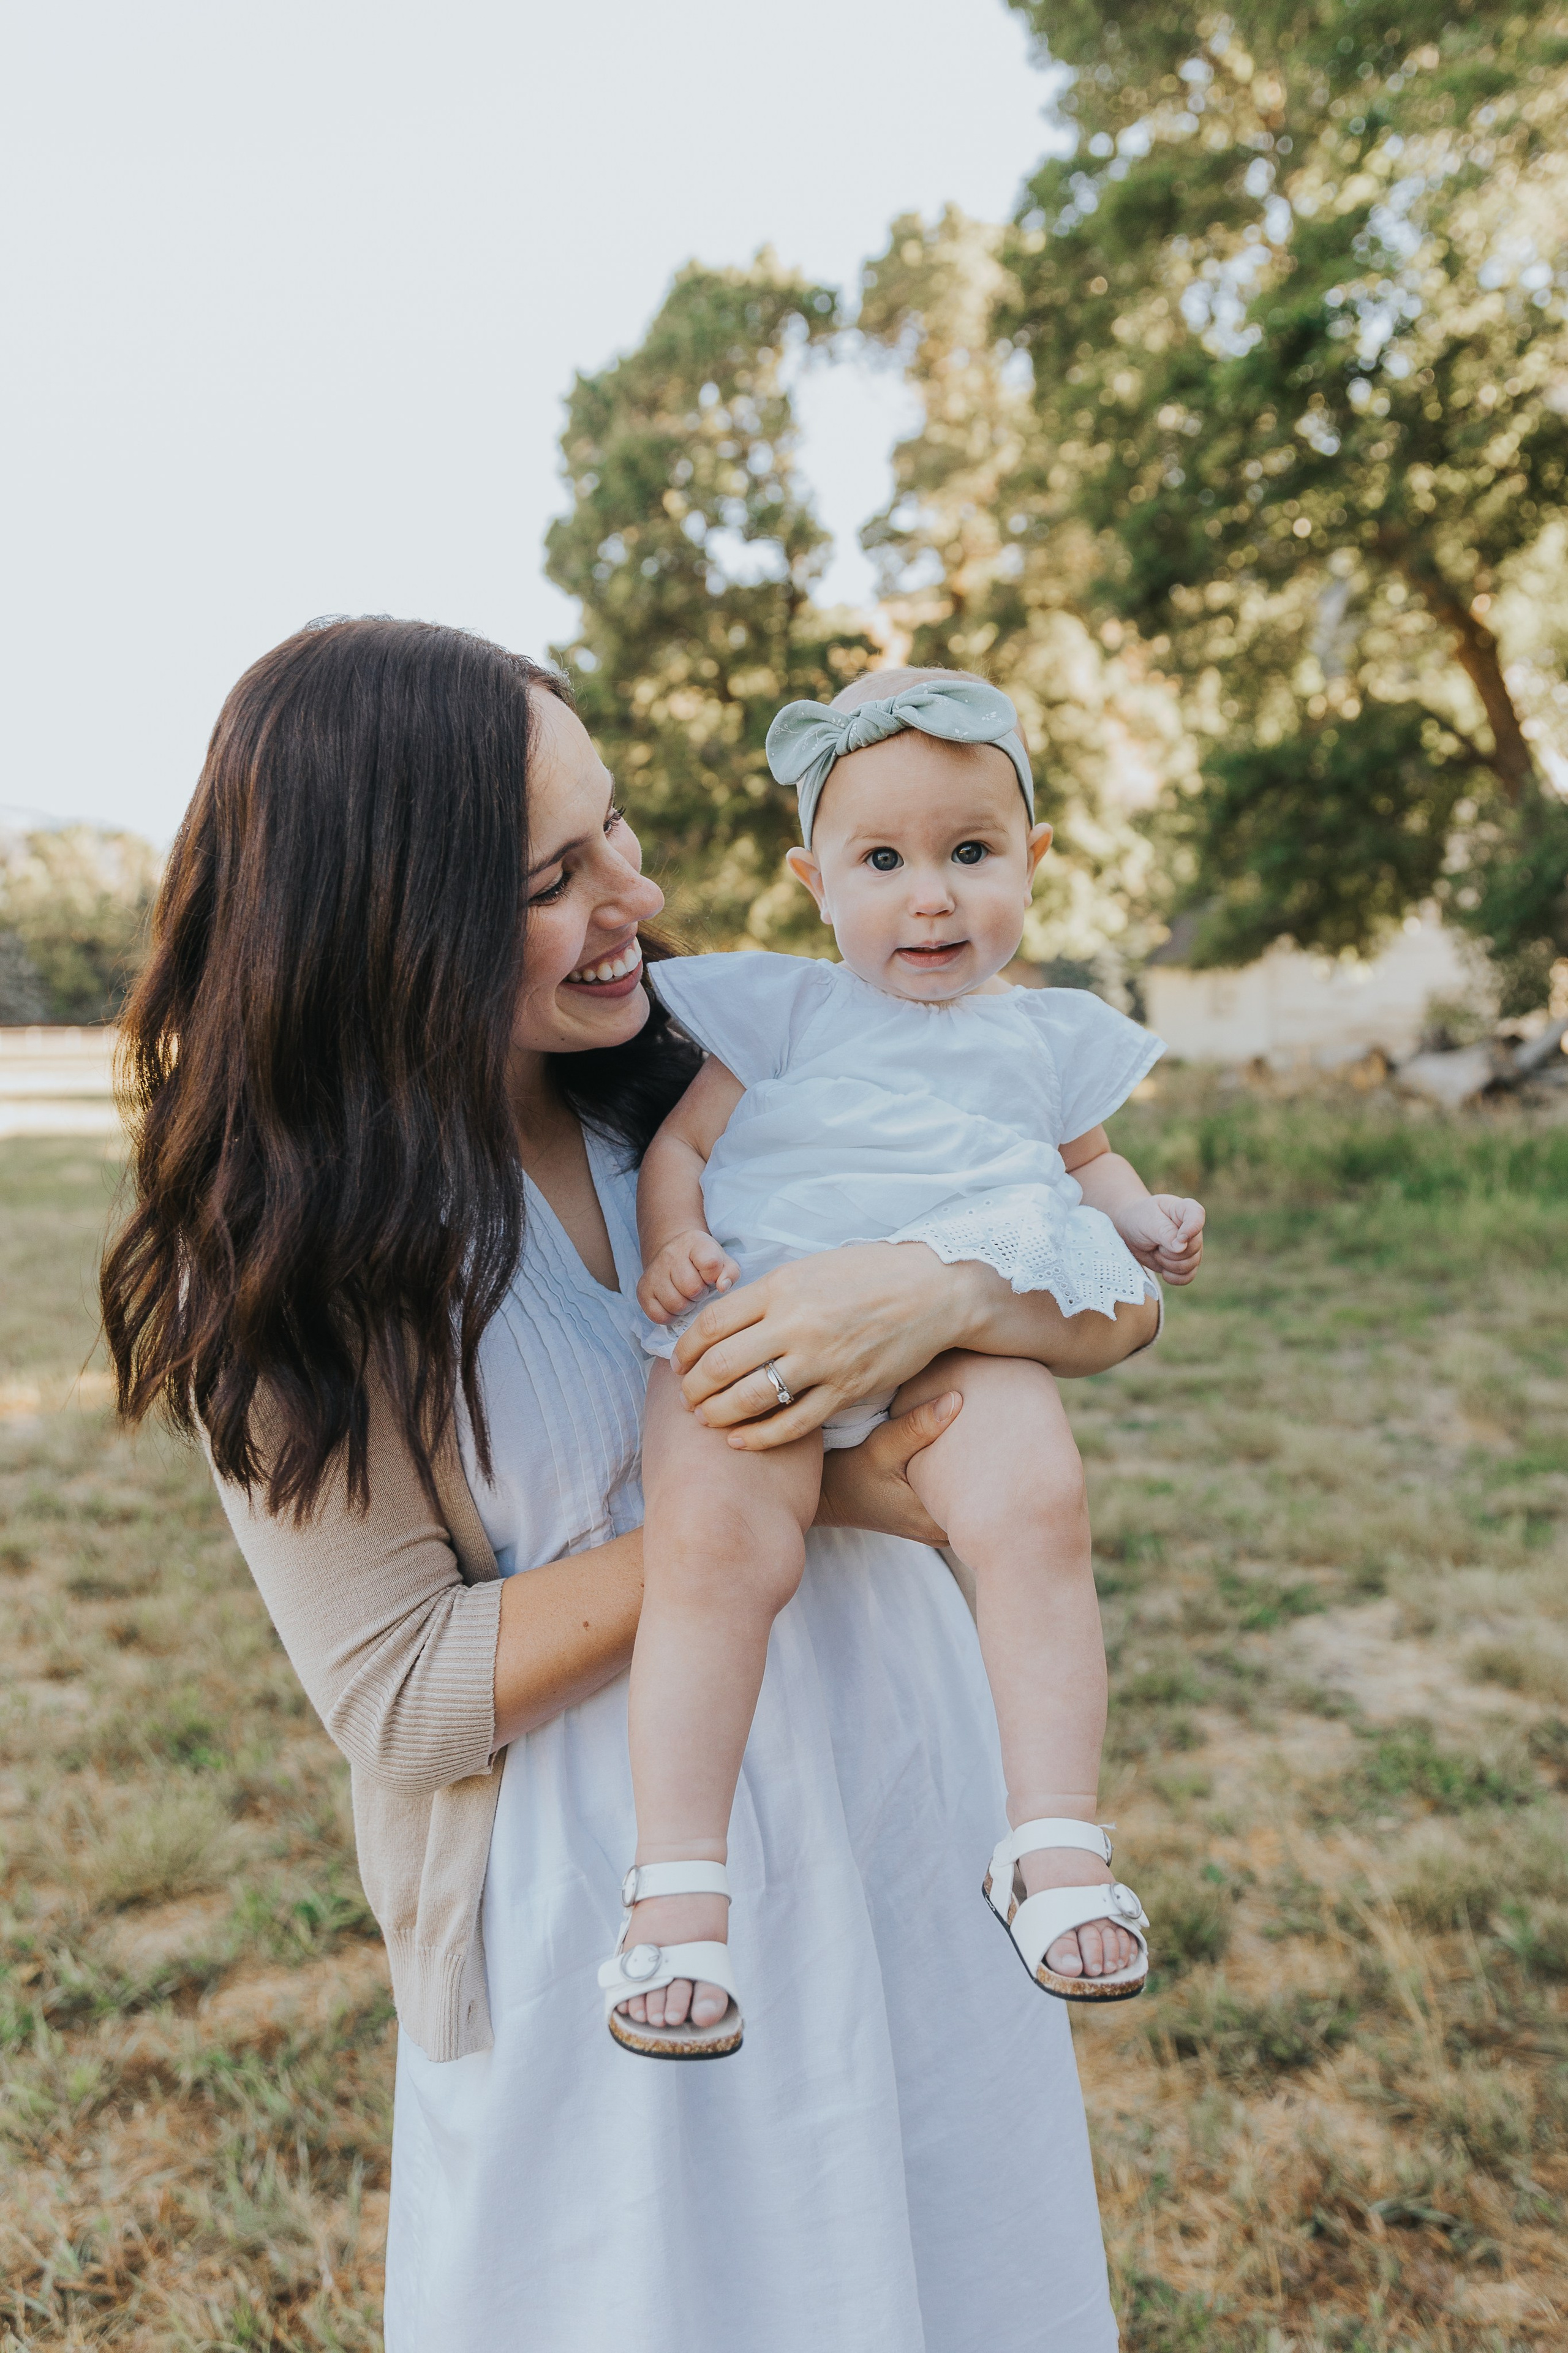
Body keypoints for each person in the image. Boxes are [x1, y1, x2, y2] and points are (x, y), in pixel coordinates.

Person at [100, 617, 1159, 2352]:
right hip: (625, 1900)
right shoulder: (297, 1253)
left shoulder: (718, 1078)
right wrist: (782, 1501)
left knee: (958, 2275)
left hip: (906, 1793)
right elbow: (401, 1695)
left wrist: (954, 1294)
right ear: (391, 915)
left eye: (619, 832)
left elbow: (1119, 1305)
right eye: (554, 876)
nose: (640, 902)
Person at [614, 670, 1205, 2056]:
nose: (927, 896)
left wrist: (1140, 1218)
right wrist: (672, 1240)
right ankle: (677, 1886)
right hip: (759, 1311)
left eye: (968, 854)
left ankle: (1050, 1840)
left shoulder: (1046, 1037)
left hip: (958, 1326)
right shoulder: (789, 1016)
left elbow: (1092, 1168)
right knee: (711, 1553)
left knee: (1036, 1510)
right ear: (813, 882)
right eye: (879, 862)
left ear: (1031, 863)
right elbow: (681, 1148)